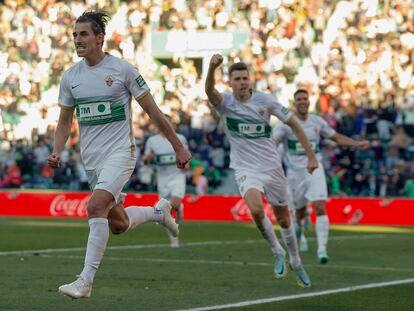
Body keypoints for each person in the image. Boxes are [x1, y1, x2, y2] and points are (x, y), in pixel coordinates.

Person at [47, 11, 191, 299]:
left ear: (100, 37)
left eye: (84, 34)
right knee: (119, 224)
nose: (78, 39)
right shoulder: (70, 77)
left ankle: (85, 281)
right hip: (92, 161)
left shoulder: (124, 70)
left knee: (94, 206)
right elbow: (64, 123)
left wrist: (177, 145)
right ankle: (158, 212)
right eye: (75, 35)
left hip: (120, 153)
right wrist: (57, 150)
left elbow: (153, 112)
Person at [205, 54, 319, 288]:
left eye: (245, 78)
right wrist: (211, 68)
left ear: (250, 79)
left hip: (272, 167)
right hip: (245, 167)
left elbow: (294, 124)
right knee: (256, 209)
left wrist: (310, 154)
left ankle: (296, 262)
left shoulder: (266, 101)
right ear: (230, 83)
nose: (242, 82)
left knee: (284, 219)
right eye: (237, 79)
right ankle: (277, 251)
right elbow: (209, 92)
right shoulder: (225, 103)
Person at [272, 89, 370, 264]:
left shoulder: (317, 121)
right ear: (294, 103)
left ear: (309, 102)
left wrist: (356, 144)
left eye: (305, 98)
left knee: (320, 207)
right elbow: (274, 142)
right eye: (299, 99)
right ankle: (300, 231)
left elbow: (336, 137)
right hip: (295, 173)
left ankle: (322, 250)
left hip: (315, 168)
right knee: (300, 213)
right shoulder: (285, 125)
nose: (303, 101)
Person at [143, 117, 189, 248]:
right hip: (162, 179)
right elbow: (145, 161)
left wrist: (186, 165)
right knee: (165, 212)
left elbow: (186, 158)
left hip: (177, 176)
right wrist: (148, 158)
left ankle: (178, 206)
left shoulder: (180, 138)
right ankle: (174, 237)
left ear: (172, 125)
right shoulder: (152, 141)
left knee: (173, 204)